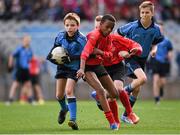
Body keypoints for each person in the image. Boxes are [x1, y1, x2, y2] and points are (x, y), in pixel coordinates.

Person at [116, 1, 164, 122]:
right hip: (131, 57)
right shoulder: (132, 26)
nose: (144, 15)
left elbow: (155, 44)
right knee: (142, 79)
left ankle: (126, 115)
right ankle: (124, 92)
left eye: (147, 12)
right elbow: (117, 34)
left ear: (152, 13)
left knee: (137, 89)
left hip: (142, 59)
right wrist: (122, 49)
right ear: (139, 13)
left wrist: (154, 50)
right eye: (142, 12)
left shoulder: (156, 29)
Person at [91, 15, 141, 125]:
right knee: (112, 97)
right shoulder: (92, 40)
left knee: (118, 89)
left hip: (117, 66)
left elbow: (132, 44)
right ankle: (116, 122)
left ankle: (130, 113)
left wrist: (135, 49)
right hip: (103, 69)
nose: (99, 30)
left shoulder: (114, 38)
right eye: (96, 28)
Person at [47, 12, 86, 130]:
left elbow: (85, 55)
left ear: (78, 26)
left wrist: (72, 59)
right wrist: (52, 58)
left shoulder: (82, 39)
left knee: (69, 91)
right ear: (64, 25)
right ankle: (64, 109)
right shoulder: (60, 36)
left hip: (74, 68)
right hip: (62, 68)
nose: (70, 27)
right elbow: (53, 51)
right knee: (59, 95)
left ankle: (73, 120)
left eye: (73, 25)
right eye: (67, 25)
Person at [6, 35, 34, 105]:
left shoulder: (30, 50)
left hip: (26, 69)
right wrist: (10, 64)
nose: (27, 41)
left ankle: (30, 100)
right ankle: (10, 99)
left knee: (28, 85)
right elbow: (12, 55)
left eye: (28, 40)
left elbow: (30, 59)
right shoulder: (20, 49)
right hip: (20, 69)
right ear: (23, 40)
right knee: (15, 84)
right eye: (26, 40)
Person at [151, 22, 173, 104]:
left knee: (163, 82)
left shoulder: (167, 41)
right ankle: (156, 99)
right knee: (155, 80)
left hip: (164, 63)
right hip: (155, 61)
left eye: (161, 28)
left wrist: (169, 56)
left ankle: (161, 90)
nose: (160, 30)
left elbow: (170, 50)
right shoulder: (153, 40)